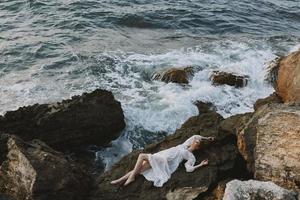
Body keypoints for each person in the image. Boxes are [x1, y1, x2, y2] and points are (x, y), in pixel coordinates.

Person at [110, 135, 215, 187]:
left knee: (142, 156)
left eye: (197, 143)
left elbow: (189, 169)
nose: (196, 142)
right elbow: (197, 136)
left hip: (165, 161)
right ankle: (120, 180)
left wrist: (200, 165)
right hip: (161, 155)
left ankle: (131, 177)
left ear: (197, 148)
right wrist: (207, 138)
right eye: (195, 141)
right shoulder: (185, 144)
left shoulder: (191, 156)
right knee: (140, 169)